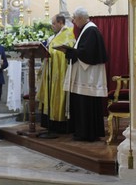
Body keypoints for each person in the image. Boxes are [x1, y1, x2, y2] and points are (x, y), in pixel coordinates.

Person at [63, 7, 108, 142]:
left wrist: (70, 51)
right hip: (86, 75)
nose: (73, 21)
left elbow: (86, 53)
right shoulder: (87, 29)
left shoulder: (90, 30)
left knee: (86, 104)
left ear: (81, 18)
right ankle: (85, 132)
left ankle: (87, 133)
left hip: (88, 76)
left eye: (74, 18)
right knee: (85, 103)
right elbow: (83, 50)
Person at [36, 14, 75, 133]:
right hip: (51, 71)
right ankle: (50, 123)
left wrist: (52, 52)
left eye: (53, 23)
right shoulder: (56, 35)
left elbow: (66, 51)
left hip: (60, 72)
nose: (52, 26)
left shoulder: (68, 33)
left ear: (60, 22)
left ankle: (59, 124)